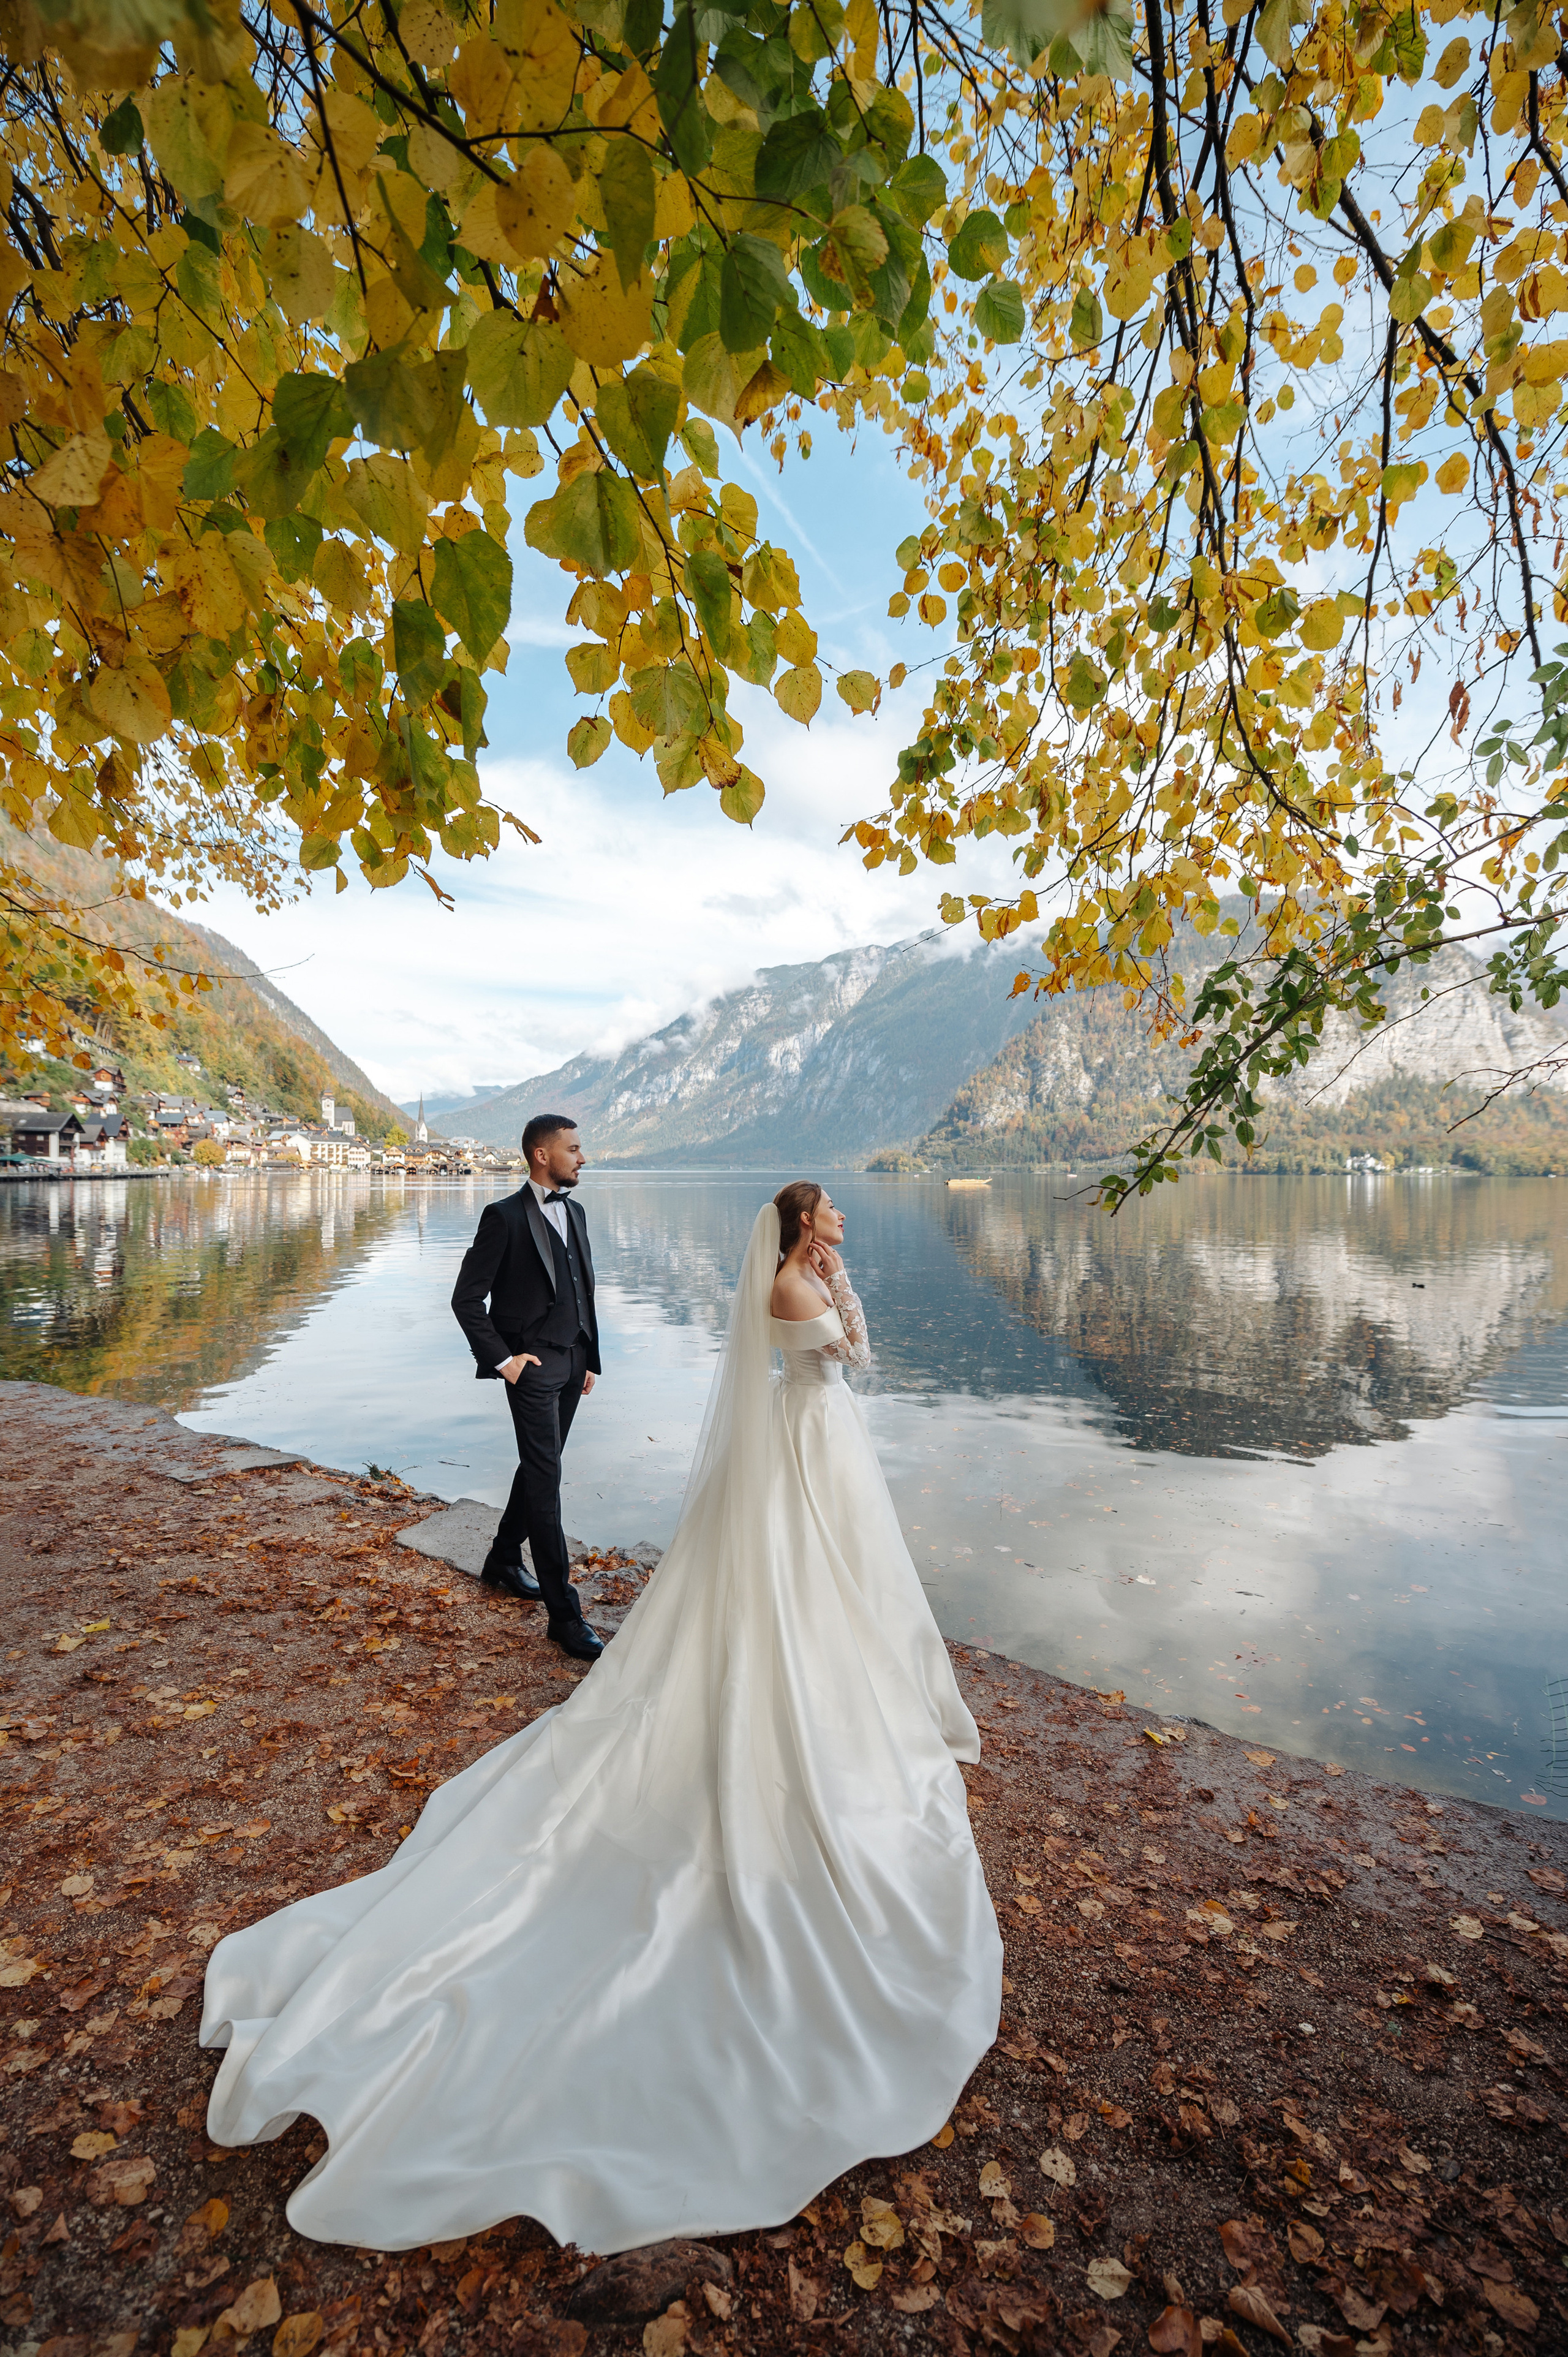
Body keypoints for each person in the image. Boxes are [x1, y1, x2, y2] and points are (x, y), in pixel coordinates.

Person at [198, 1182, 1001, 2257]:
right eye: (835, 1219)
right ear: (804, 1225)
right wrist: (846, 1301)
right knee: (802, 1578)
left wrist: (841, 1291)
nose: (846, 1226)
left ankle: (819, 1666)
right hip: (815, 1435)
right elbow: (851, 1357)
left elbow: (842, 1348)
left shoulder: (799, 1270)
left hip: (816, 1439)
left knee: (831, 1579)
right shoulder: (789, 1281)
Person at [449, 1114, 604, 1663]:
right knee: (546, 1480)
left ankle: (501, 1558)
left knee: (540, 1465)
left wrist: (589, 1356)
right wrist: (503, 1361)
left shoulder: (577, 1211)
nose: (582, 1158)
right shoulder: (503, 1217)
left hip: (572, 1363)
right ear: (542, 1155)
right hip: (531, 1369)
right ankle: (564, 1616)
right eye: (574, 1149)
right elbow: (466, 1299)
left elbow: (582, 1288)